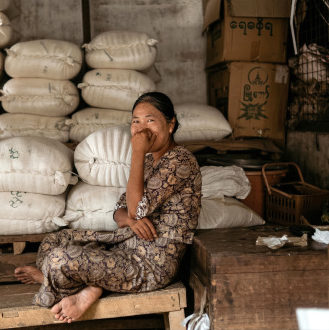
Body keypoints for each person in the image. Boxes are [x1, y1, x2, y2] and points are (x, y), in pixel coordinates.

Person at [14, 91, 202, 323]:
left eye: (150, 120)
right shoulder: (149, 162)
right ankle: (88, 285)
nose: (142, 129)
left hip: (152, 264)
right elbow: (121, 211)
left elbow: (136, 209)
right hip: (125, 245)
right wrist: (131, 221)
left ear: (170, 125)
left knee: (58, 259)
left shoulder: (180, 160)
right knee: (53, 242)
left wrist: (137, 152)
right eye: (136, 121)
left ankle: (81, 289)